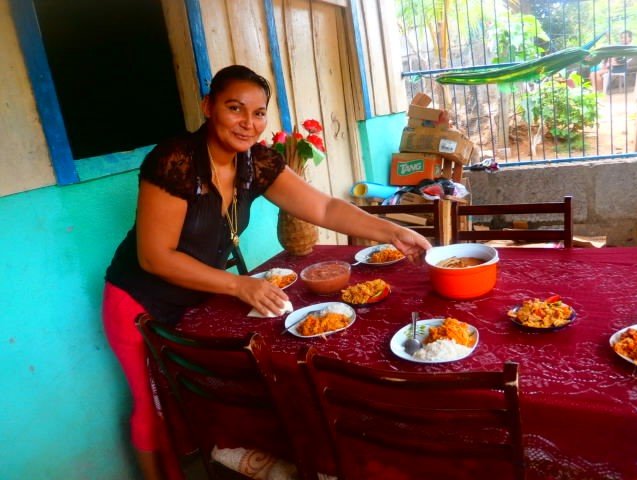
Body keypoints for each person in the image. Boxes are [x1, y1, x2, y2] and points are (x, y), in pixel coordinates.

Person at [102, 64, 431, 479]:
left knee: (197, 394)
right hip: (139, 301)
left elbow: (324, 207)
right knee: (152, 406)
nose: (248, 123)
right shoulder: (175, 161)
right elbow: (155, 258)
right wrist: (238, 285)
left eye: (258, 113)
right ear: (208, 106)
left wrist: (393, 231)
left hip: (200, 296)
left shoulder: (255, 162)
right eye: (234, 108)